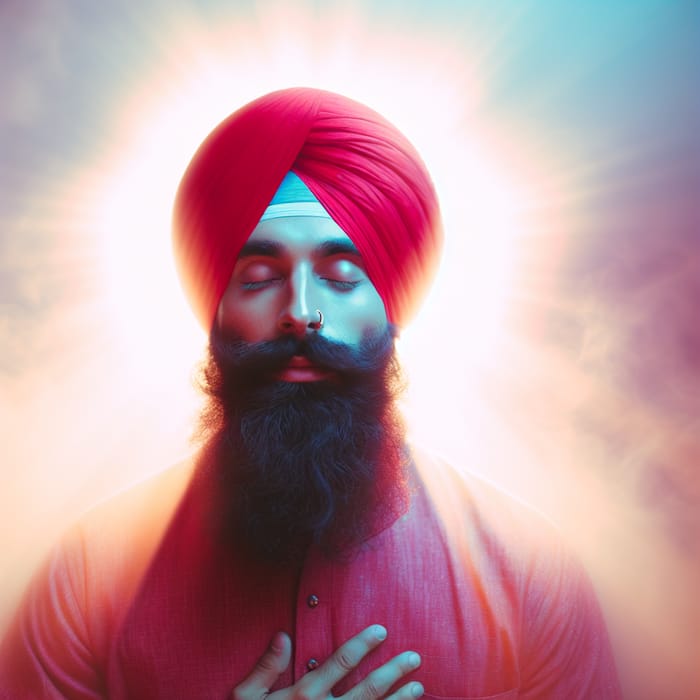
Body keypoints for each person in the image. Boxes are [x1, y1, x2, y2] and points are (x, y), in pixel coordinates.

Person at [0, 88, 621, 699]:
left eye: (341, 278)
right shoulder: (85, 580)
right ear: (215, 309)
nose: (300, 312)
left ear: (391, 308)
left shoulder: (532, 578)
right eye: (260, 277)